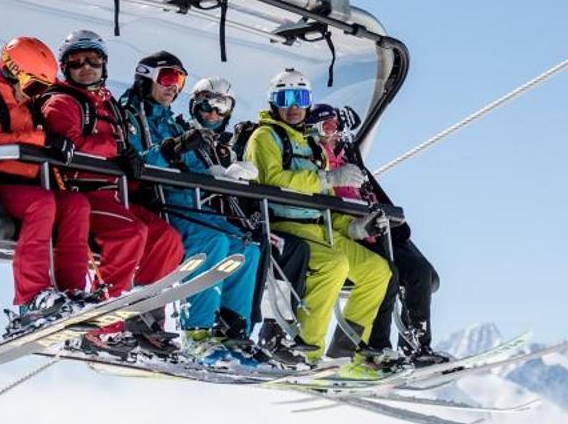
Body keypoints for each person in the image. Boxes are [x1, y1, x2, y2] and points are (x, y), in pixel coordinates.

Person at [39, 30, 183, 355]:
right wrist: (116, 150)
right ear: (66, 67)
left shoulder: (108, 104)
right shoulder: (61, 101)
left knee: (167, 239)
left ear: (104, 64)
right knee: (129, 234)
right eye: (77, 62)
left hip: (115, 193)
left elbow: (119, 147)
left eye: (93, 60)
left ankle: (144, 318)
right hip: (82, 190)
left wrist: (130, 160)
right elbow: (70, 145)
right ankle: (104, 326)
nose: (86, 67)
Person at [242, 69, 392, 378]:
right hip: (285, 223)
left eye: (302, 98)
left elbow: (323, 199)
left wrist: (354, 228)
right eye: (286, 99)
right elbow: (272, 178)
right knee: (333, 264)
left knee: (378, 271)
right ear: (273, 102)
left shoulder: (311, 145)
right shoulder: (265, 137)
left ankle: (346, 352)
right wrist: (325, 178)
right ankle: (306, 349)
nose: (294, 107)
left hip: (321, 227)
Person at [129, 74, 281, 364]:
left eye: (221, 107)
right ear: (193, 106)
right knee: (213, 243)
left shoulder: (213, 142)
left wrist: (232, 172)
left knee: (247, 248)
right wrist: (180, 150)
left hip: (204, 209)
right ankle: (196, 331)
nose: (213, 113)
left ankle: (233, 332)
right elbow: (145, 159)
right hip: (172, 205)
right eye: (206, 105)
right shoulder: (178, 130)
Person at [0, 36, 91, 334]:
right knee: (40, 204)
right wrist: (43, 140)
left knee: (77, 205)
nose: (34, 95)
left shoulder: (22, 103)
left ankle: (71, 293)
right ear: (13, 71)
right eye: (34, 87)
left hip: (27, 180)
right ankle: (32, 299)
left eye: (41, 89)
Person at [307, 104, 452, 367]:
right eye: (328, 127)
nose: (335, 133)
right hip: (352, 233)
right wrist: (354, 225)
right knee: (388, 275)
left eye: (337, 126)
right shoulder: (318, 164)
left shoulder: (348, 157)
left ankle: (416, 345)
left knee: (420, 272)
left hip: (380, 230)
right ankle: (373, 346)